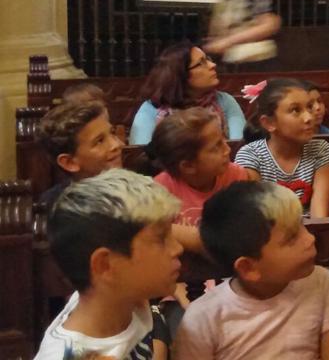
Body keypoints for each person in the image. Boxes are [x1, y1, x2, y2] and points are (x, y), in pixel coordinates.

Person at [174, 181, 329, 359]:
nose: (310, 239)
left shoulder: (322, 282)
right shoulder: (203, 319)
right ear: (248, 268)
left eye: (302, 224)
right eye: (292, 238)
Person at [35, 169, 183, 359]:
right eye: (161, 239)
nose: (178, 248)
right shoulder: (71, 355)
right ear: (105, 265)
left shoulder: (124, 299)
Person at [236, 78, 329, 217]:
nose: (309, 117)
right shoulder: (251, 156)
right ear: (269, 123)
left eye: (309, 107)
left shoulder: (320, 150)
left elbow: (319, 217)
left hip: (312, 229)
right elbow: (258, 218)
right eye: (296, 110)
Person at [148, 107, 250, 227]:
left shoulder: (236, 176)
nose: (227, 149)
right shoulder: (160, 191)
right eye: (217, 146)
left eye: (224, 140)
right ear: (188, 166)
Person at [129, 42, 245, 145]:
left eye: (208, 59)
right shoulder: (151, 109)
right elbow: (140, 154)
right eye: (201, 63)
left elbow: (239, 146)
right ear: (181, 74)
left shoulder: (224, 101)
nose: (212, 65)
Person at [35, 101, 123, 208]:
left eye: (112, 133)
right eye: (99, 141)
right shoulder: (57, 207)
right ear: (69, 162)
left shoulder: (136, 189)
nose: (117, 144)